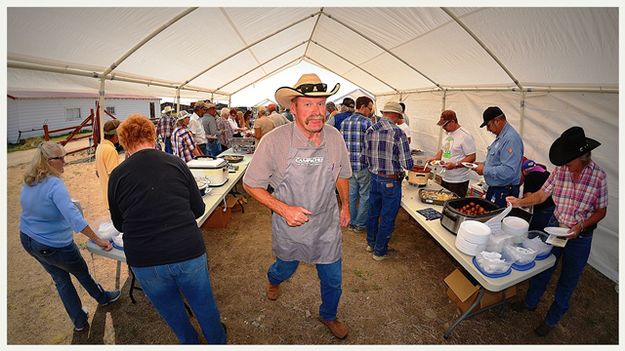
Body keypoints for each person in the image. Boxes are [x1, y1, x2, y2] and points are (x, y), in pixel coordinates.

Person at [242, 73, 351, 339]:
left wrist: (345, 205)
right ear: (293, 107)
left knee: (333, 280)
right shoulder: (274, 141)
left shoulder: (335, 138)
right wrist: (283, 209)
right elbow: (250, 184)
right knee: (284, 268)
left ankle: (328, 315)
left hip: (326, 225)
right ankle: (273, 280)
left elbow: (341, 174)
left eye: (321, 104)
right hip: (290, 225)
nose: (317, 112)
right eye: (308, 104)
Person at [108, 114, 227, 344]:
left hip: (144, 258)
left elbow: (119, 224)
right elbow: (198, 208)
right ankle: (217, 340)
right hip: (186, 250)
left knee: (171, 310)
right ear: (152, 135)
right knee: (203, 302)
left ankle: (189, 342)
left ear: (124, 142)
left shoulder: (117, 176)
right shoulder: (175, 163)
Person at [506, 126, 607, 337]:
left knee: (568, 278)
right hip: (555, 227)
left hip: (580, 236)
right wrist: (520, 202)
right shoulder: (560, 170)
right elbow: (542, 195)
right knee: (543, 267)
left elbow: (601, 210)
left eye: (570, 163)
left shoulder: (598, 177)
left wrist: (582, 225)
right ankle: (530, 303)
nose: (566, 167)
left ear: (583, 157)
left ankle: (552, 319)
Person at [19, 141, 121, 332]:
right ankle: (103, 298)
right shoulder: (54, 185)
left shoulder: (30, 180)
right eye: (60, 158)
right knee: (82, 272)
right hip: (53, 244)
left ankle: (79, 321)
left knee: (60, 280)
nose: (64, 162)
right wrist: (99, 240)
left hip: (28, 239)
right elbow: (74, 219)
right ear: (47, 161)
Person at [363, 101, 413, 261]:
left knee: (373, 212)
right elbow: (408, 164)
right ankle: (379, 251)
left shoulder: (370, 130)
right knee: (387, 216)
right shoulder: (398, 133)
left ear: (384, 113)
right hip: (391, 181)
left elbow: (364, 157)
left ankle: (371, 243)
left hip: (374, 178)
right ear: (397, 115)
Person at [474, 106, 523, 207]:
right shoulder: (502, 137)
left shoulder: (510, 139)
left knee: (496, 220)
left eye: (488, 125)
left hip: (504, 192)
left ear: (497, 121)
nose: (488, 129)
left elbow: (509, 170)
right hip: (498, 189)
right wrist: (483, 164)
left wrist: (485, 170)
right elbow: (497, 160)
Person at [340, 96, 373, 233]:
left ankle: (352, 221)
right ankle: (360, 224)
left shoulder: (345, 122)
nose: (370, 111)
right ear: (363, 106)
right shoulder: (368, 123)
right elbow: (371, 146)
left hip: (348, 165)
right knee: (365, 195)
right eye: (369, 108)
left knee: (352, 194)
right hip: (363, 165)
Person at [428, 110, 476, 197]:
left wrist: (455, 165)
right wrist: (435, 158)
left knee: (454, 205)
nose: (443, 127)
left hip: (458, 180)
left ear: (453, 121)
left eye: (445, 125)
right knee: (443, 201)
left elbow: (472, 157)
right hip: (446, 177)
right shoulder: (448, 134)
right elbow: (443, 150)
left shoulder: (465, 135)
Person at [521, 159, 556, 231]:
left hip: (543, 210)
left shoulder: (529, 177)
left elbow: (527, 203)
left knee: (534, 234)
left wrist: (519, 202)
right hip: (555, 210)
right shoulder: (548, 174)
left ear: (524, 171)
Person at [95, 119, 121, 208]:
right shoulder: (110, 150)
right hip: (114, 196)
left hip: (106, 194)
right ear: (116, 134)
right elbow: (114, 177)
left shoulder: (100, 147)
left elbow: (97, 172)